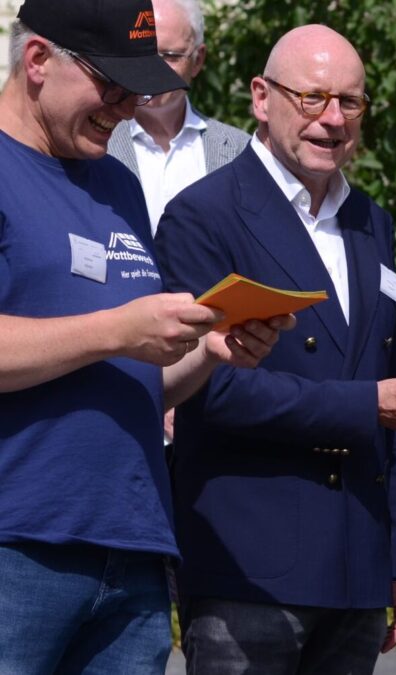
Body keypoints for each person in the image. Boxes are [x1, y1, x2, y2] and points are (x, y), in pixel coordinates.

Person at [152, 24, 396, 675]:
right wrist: (368, 403)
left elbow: (390, 386)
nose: (332, 119)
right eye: (312, 97)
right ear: (261, 98)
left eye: (350, 102)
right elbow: (215, 390)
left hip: (355, 568)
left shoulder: (371, 220)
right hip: (250, 568)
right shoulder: (203, 215)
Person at [0, 0, 289, 672]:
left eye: (139, 89)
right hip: (19, 544)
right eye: (112, 84)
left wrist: (213, 349)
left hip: (132, 548)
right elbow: (115, 338)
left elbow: (139, 374)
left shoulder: (117, 185)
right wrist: (117, 328)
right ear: (39, 60)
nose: (127, 106)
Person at [107, 0, 249, 236]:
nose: (153, 69)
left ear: (198, 60)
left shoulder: (239, 151)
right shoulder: (96, 141)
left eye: (170, 56)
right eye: (144, 52)